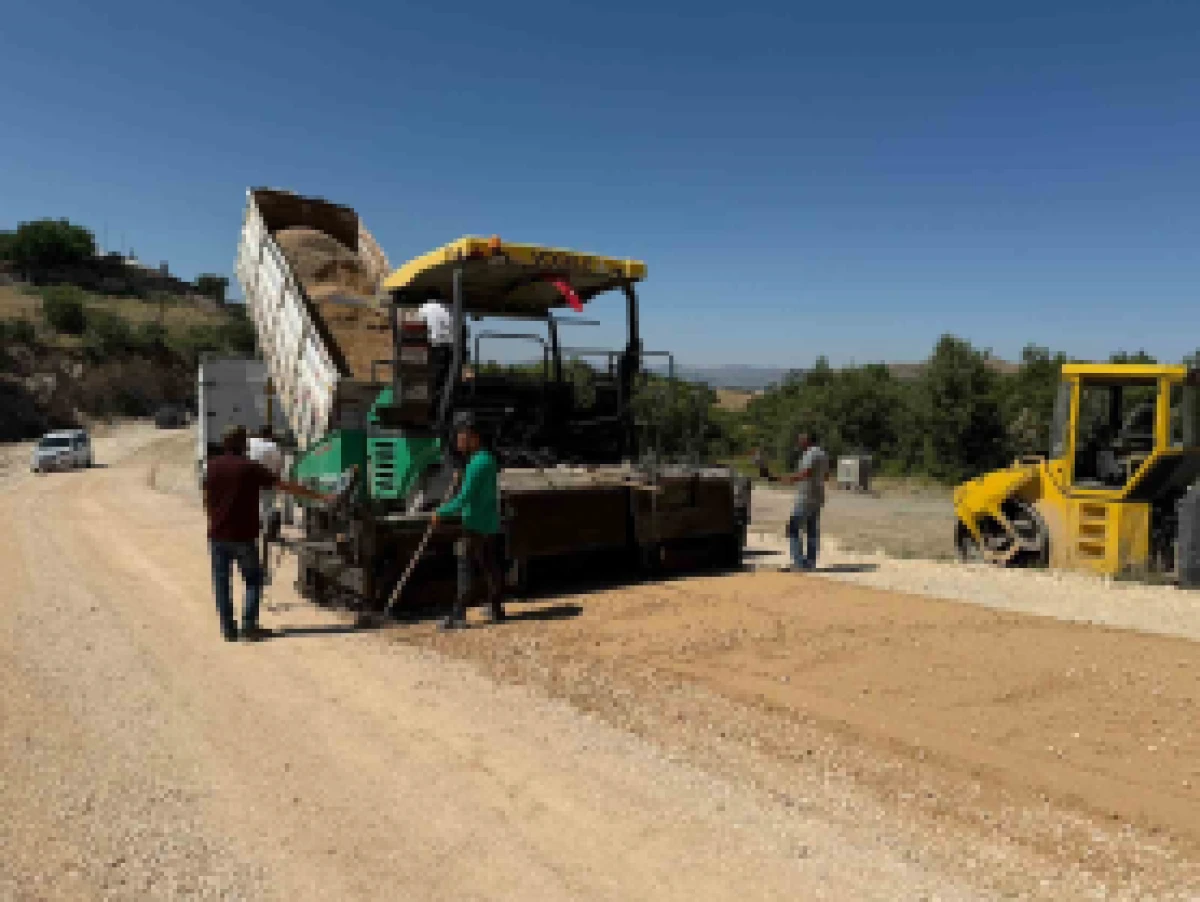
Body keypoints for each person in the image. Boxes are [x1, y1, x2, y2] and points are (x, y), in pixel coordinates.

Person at [203, 425, 331, 642]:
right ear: (244, 444)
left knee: (221, 583)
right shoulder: (250, 468)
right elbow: (284, 486)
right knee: (253, 580)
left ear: (225, 444)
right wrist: (319, 496)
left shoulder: (212, 467)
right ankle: (249, 627)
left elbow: (207, 499)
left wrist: (213, 521)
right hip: (243, 535)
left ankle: (228, 630)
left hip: (218, 536)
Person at [430, 412, 506, 630]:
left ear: (474, 437)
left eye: (461, 435)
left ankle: (459, 615)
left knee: (465, 566)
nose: (457, 440)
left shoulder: (477, 463)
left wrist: (440, 512)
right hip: (489, 523)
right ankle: (497, 608)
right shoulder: (487, 459)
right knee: (490, 566)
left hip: (474, 524)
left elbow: (464, 498)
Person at [778, 432, 828, 571]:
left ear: (807, 441)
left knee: (793, 528)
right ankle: (810, 563)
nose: (799, 442)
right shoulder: (823, 454)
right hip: (818, 497)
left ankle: (799, 563)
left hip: (805, 497)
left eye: (801, 439)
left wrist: (787, 479)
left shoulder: (810, 454)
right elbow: (826, 476)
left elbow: (805, 473)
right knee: (812, 530)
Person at [418, 298, 454, 409]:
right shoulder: (449, 308)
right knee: (447, 377)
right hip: (449, 346)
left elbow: (421, 324)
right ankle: (445, 402)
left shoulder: (425, 307)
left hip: (435, 345)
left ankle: (435, 404)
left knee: (435, 377)